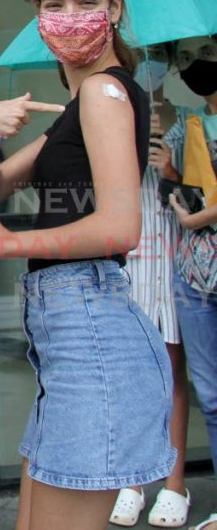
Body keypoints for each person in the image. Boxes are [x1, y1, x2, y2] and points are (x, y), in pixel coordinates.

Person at [0, 0, 173, 530]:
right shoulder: (76, 106)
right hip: (69, 338)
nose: (68, 17)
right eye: (53, 5)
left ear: (113, 9)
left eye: (86, 0)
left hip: (93, 336)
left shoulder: (104, 92)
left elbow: (119, 225)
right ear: (38, 14)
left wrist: (7, 243)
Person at [109, 42, 191, 528]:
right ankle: (133, 480)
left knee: (170, 367)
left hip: (171, 256)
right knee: (131, 376)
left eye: (162, 58)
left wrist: (170, 167)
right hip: (126, 257)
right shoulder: (113, 118)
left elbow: (200, 191)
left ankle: (175, 483)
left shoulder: (184, 122)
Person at [162, 35, 217, 530]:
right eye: (187, 60)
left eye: (207, 56)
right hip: (195, 274)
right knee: (213, 395)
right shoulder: (189, 123)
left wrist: (199, 218)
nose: (198, 68)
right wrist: (168, 169)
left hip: (202, 248)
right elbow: (184, 187)